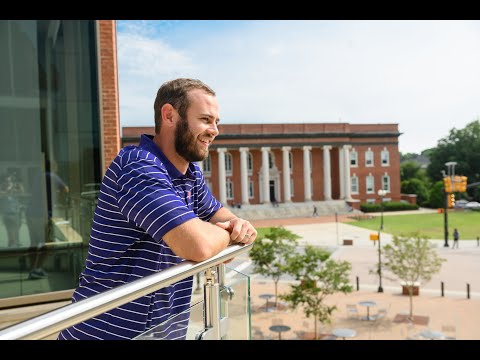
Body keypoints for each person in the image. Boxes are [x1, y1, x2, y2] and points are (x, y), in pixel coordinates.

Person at [58, 78, 257, 340]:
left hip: (159, 332)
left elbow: (224, 220)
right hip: (105, 332)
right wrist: (229, 235)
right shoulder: (137, 166)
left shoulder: (190, 175)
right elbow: (198, 247)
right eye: (206, 119)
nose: (215, 130)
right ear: (169, 115)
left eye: (216, 122)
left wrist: (227, 230)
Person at [26, 163, 69, 280]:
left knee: (34, 243)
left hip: (31, 212)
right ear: (53, 167)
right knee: (48, 243)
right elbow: (65, 189)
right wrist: (58, 197)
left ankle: (33, 269)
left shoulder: (38, 176)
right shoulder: (52, 175)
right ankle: (37, 268)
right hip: (41, 214)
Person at [0, 172, 25, 248]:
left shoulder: (14, 189)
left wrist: (19, 184)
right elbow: (3, 194)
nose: (8, 183)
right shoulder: (2, 189)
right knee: (11, 234)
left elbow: (22, 192)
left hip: (16, 213)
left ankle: (15, 245)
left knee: (16, 233)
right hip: (7, 215)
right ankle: (12, 247)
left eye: (10, 181)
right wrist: (10, 188)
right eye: (7, 181)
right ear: (3, 182)